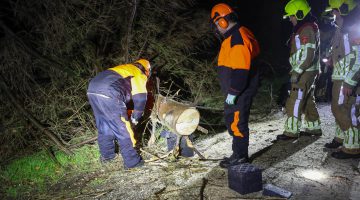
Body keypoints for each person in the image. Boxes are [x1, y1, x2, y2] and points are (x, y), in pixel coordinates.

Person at [210, 3, 260, 168]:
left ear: (222, 21)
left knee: (237, 123)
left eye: (217, 24)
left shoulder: (237, 38)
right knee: (234, 121)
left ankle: (240, 156)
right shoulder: (236, 35)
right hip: (237, 90)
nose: (217, 28)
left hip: (239, 92)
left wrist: (233, 92)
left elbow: (240, 70)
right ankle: (237, 154)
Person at [87, 59, 151, 168]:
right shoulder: (138, 73)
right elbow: (140, 99)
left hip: (92, 90)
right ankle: (132, 162)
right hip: (109, 92)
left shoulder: (125, 68)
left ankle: (107, 156)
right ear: (147, 70)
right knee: (124, 129)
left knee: (104, 125)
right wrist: (136, 117)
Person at [277, 0, 322, 140]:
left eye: (292, 16)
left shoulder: (306, 29)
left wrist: (297, 71)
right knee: (307, 98)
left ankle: (291, 131)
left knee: (295, 99)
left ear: (300, 14)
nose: (290, 19)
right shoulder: (305, 27)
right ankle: (313, 127)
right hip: (309, 70)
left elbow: (308, 54)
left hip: (305, 71)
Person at [324, 0, 360, 159]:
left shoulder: (353, 28)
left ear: (343, 9)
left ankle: (353, 146)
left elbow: (358, 57)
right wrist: (331, 57)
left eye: (334, 10)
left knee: (342, 109)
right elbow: (340, 50)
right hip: (339, 75)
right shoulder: (341, 27)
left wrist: (350, 81)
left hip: (347, 78)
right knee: (338, 109)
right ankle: (341, 137)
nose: (332, 13)